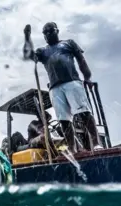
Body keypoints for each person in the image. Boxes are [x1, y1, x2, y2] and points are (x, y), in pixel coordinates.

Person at [23, 22, 102, 153]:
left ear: (57, 31)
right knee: (63, 119)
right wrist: (27, 36)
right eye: (45, 32)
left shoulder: (68, 43)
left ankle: (96, 143)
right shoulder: (43, 51)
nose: (48, 34)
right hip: (55, 88)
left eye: (51, 31)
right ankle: (71, 148)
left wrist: (87, 77)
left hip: (72, 82)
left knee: (83, 112)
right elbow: (29, 54)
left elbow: (81, 60)